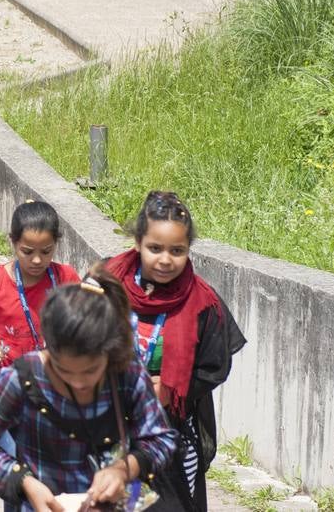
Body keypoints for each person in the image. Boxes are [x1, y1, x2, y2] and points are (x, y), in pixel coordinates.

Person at [0, 273, 178, 512]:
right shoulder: (23, 377)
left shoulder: (127, 372)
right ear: (48, 349)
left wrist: (125, 469)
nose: (79, 383)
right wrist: (23, 482)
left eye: (91, 371)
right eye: (63, 372)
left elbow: (161, 438)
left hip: (122, 504)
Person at [103, 192, 246, 512]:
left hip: (171, 431)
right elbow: (77, 338)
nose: (165, 259)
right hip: (107, 422)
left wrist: (171, 389)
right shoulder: (105, 284)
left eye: (177, 251)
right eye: (155, 248)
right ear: (138, 242)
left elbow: (214, 366)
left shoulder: (203, 303)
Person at [0, 201, 79, 386]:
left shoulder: (66, 278)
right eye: (27, 251)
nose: (36, 260)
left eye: (46, 251)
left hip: (53, 386)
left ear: (56, 244)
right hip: (4, 386)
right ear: (13, 242)